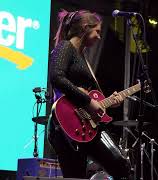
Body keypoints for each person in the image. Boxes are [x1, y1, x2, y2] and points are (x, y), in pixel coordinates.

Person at [47, 9, 130, 179]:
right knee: (75, 175)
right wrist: (87, 101)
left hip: (87, 123)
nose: (99, 37)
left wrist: (108, 101)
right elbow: (56, 77)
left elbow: (93, 96)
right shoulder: (65, 47)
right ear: (85, 27)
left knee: (121, 165)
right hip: (66, 124)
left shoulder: (82, 57)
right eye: (97, 31)